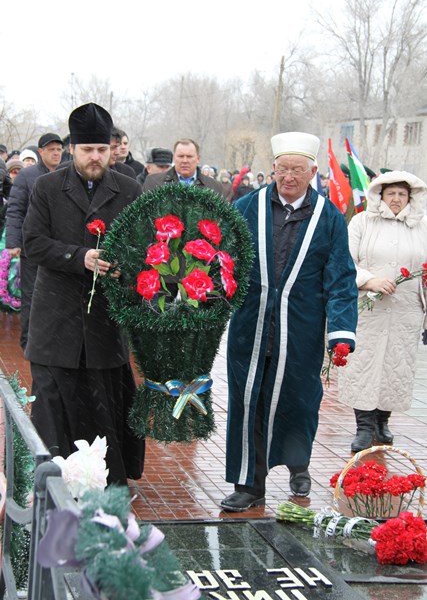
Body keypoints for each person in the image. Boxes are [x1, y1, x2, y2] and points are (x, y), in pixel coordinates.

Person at [221, 131, 358, 511]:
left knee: (299, 402)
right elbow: (224, 260)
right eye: (283, 169)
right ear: (274, 170)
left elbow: (341, 278)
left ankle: (298, 464)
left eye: (298, 170)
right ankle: (248, 484)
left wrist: (342, 332)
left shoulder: (328, 217)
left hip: (301, 328)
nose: (290, 177)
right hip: (251, 325)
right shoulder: (249, 207)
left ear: (313, 172)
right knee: (248, 402)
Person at [22, 102, 144, 484]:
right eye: (88, 149)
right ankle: (49, 486)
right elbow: (33, 243)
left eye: (102, 150)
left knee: (102, 406)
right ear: (72, 148)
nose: (95, 157)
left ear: (112, 149)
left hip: (103, 324)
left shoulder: (128, 188)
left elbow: (143, 248)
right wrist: (80, 256)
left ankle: (106, 487)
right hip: (55, 322)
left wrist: (126, 264)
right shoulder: (46, 187)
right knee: (53, 407)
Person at [338, 170, 427, 452]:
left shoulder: (421, 226)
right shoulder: (362, 222)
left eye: (402, 194)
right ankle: (363, 426)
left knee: (395, 366)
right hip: (369, 308)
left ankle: (382, 421)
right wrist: (369, 280)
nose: (397, 199)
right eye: (391, 194)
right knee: (364, 364)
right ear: (380, 195)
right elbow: (344, 261)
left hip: (406, 310)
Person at [6, 132, 63, 350]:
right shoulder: (27, 176)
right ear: (41, 152)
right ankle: (29, 341)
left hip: (59, 248)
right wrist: (14, 242)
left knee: (58, 295)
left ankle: (54, 340)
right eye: (51, 149)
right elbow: (16, 210)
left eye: (59, 149)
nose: (56, 153)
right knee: (32, 295)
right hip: (33, 247)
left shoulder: (66, 174)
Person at [142, 138, 227, 199]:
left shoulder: (214, 186)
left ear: (198, 159)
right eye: (181, 156)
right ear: (174, 158)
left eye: (189, 157)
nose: (185, 161)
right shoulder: (154, 182)